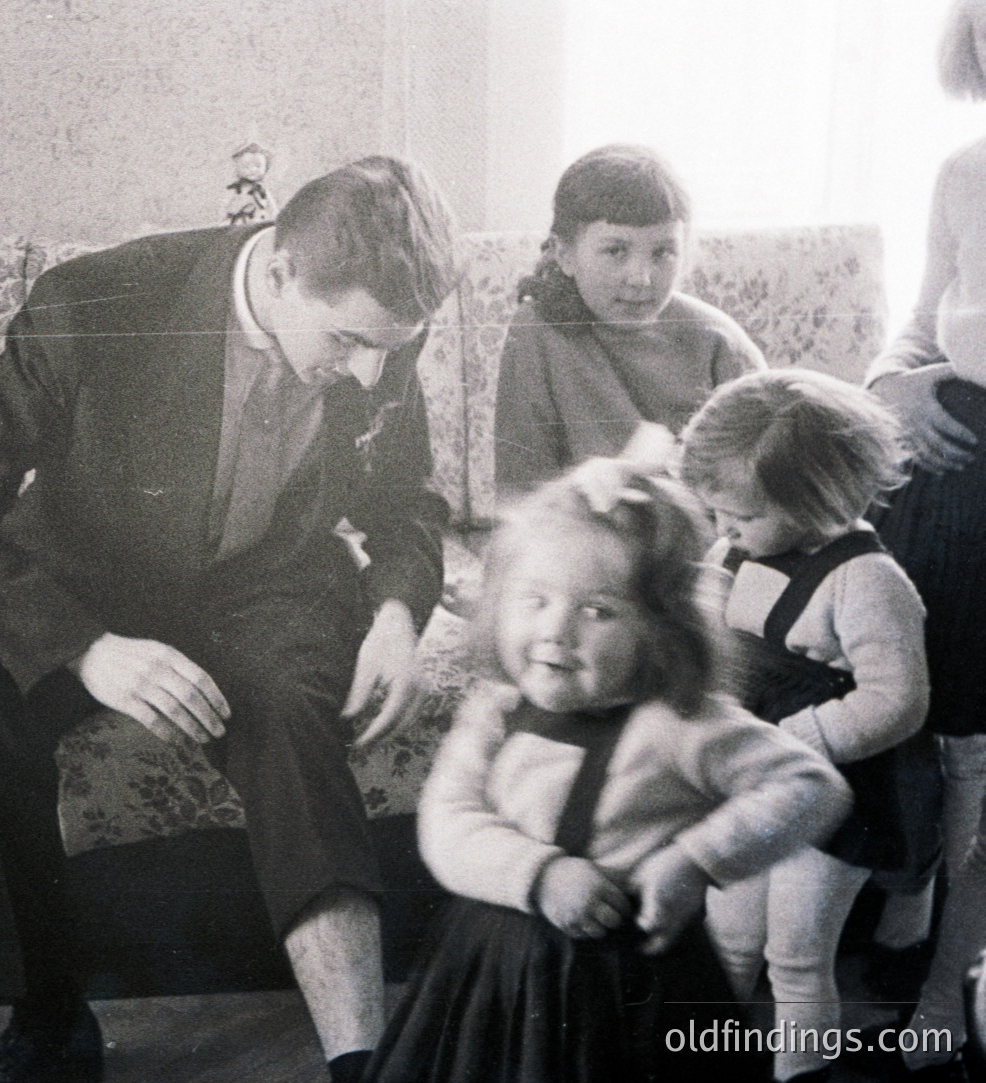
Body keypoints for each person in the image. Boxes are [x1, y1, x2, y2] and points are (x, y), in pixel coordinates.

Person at [0, 156, 460, 1083]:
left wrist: (395, 614)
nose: (369, 371)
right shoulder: (98, 304)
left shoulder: (381, 334)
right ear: (276, 273)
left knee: (288, 706)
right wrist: (84, 649)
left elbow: (405, 501)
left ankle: (363, 1061)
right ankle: (49, 1023)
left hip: (270, 581)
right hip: (91, 579)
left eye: (391, 346)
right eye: (348, 341)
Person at [362, 460, 851, 1083]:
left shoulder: (680, 724)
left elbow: (811, 787)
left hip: (632, 991)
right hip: (493, 974)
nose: (555, 631)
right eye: (534, 600)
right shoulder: (495, 710)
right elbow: (446, 822)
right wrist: (537, 873)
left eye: (598, 611)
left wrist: (696, 860)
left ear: (661, 628)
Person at [680, 369, 933, 1083]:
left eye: (740, 518)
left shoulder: (866, 581)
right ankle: (708, 1063)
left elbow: (896, 700)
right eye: (716, 517)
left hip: (836, 789)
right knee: (726, 934)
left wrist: (793, 739)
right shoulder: (738, 544)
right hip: (754, 779)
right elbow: (710, 612)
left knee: (795, 952)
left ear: (817, 499)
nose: (724, 532)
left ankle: (802, 1073)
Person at [865, 5, 986, 1074]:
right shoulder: (962, 171)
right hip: (950, 458)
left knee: (984, 752)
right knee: (897, 676)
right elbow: (920, 319)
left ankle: (953, 978)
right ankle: (909, 883)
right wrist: (895, 385)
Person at [493, 143, 764, 499]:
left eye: (663, 253)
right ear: (565, 254)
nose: (641, 278)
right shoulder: (537, 332)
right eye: (615, 251)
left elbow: (765, 492)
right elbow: (520, 491)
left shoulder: (718, 341)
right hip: (579, 541)